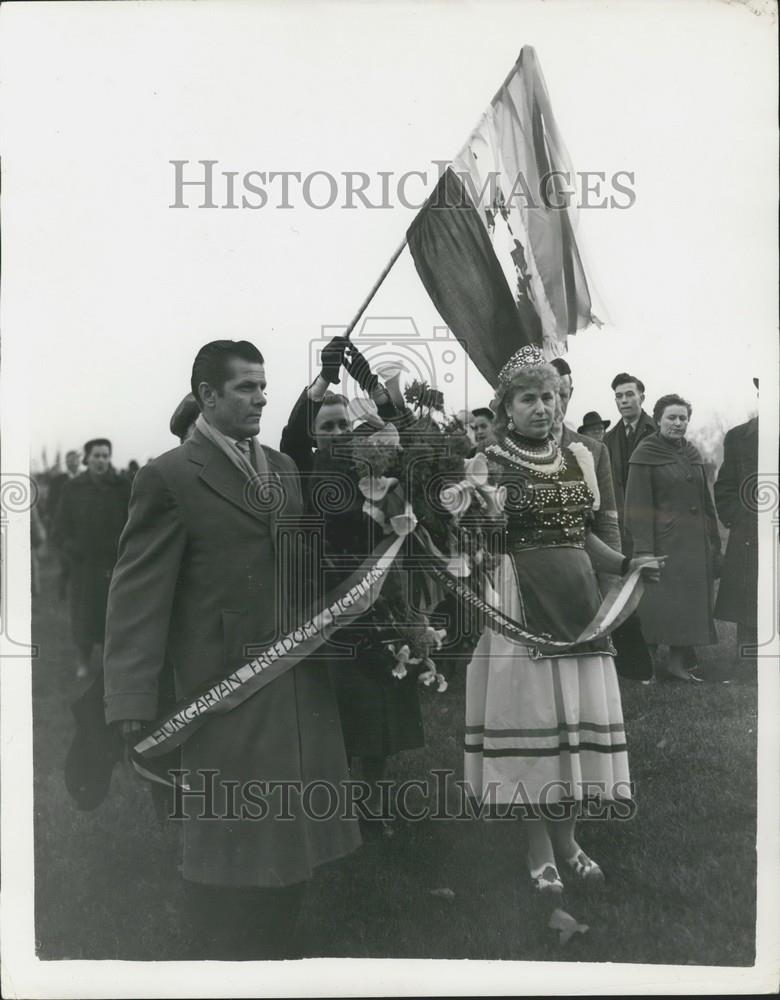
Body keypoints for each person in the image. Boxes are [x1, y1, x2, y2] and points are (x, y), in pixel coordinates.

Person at [103, 340, 360, 960]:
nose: (261, 398)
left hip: (292, 675)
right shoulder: (167, 476)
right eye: (246, 388)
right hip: (221, 682)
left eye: (263, 387)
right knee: (228, 827)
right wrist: (130, 698)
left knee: (288, 820)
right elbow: (137, 595)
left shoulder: (283, 466)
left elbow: (300, 567)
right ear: (207, 396)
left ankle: (279, 937)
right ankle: (218, 948)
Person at [466, 346, 661, 897]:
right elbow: (471, 552)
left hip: (579, 608)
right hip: (519, 605)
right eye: (528, 398)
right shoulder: (486, 464)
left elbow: (584, 535)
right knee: (537, 728)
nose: (542, 407)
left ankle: (569, 841)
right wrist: (485, 528)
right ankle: (538, 849)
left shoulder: (577, 457)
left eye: (549, 396)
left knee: (572, 725)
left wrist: (626, 564)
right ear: (505, 406)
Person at [281, 338, 423, 832]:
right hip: (326, 599)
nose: (339, 432)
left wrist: (371, 387)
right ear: (316, 434)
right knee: (338, 706)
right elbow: (291, 437)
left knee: (381, 704)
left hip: (379, 598)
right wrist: (322, 380)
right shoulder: (302, 468)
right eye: (329, 425)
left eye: (345, 423)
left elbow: (414, 443)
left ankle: (373, 799)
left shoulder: (375, 467)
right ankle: (333, 803)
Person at [624, 394, 721, 682]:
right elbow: (635, 507)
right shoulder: (645, 453)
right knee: (655, 607)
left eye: (683, 418)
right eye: (672, 417)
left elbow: (705, 501)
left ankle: (677, 665)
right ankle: (649, 668)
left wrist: (713, 542)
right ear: (658, 420)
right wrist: (644, 551)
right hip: (662, 546)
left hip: (694, 546)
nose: (678, 423)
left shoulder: (692, 453)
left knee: (688, 605)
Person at [55, 439, 130, 679]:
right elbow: (60, 527)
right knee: (83, 617)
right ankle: (83, 663)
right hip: (84, 566)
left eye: (105, 456)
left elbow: (134, 521)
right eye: (96, 456)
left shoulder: (122, 486)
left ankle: (112, 665)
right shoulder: (73, 487)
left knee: (114, 616)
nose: (101, 460)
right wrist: (72, 549)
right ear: (87, 459)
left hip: (114, 564)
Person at [603, 373, 657, 681]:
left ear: (642, 397)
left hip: (650, 521)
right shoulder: (610, 439)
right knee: (625, 588)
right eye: (619, 396)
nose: (624, 401)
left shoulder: (655, 430)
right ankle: (634, 658)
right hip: (621, 526)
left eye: (629, 395)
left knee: (656, 587)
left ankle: (668, 649)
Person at [713, 380, 758, 679]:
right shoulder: (740, 436)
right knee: (749, 597)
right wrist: (737, 516)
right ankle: (749, 664)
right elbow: (725, 484)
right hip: (750, 534)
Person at [47, 449, 81, 599]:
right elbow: (51, 502)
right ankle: (62, 592)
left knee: (79, 560)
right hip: (64, 526)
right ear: (66, 462)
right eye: (69, 460)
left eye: (75, 459)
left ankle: (78, 590)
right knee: (65, 561)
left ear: (79, 461)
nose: (72, 462)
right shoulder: (58, 480)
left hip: (81, 526)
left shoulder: (85, 478)